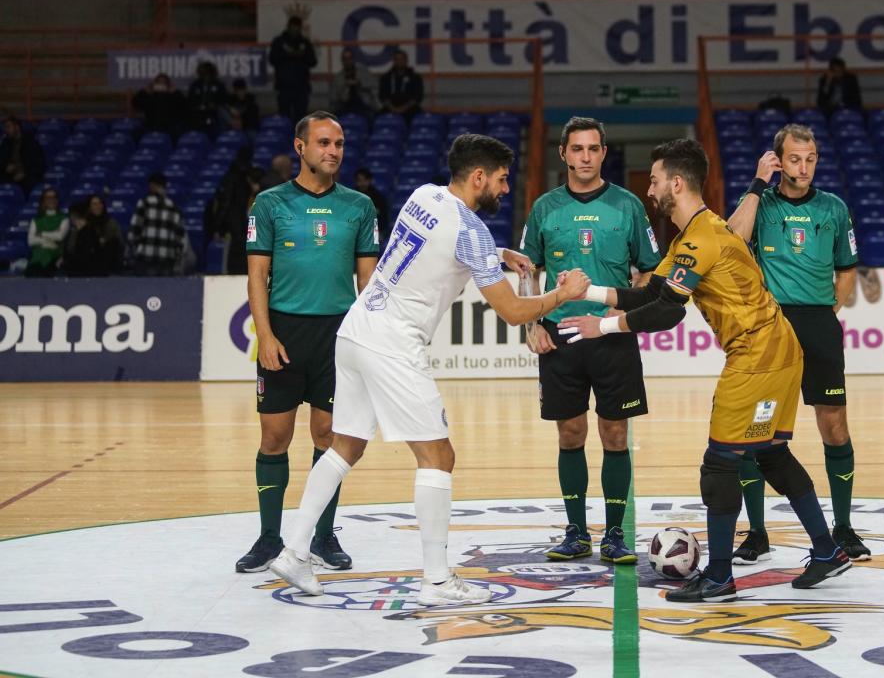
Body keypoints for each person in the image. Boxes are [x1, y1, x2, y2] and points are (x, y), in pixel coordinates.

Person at [267, 134, 592, 605]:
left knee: (344, 447)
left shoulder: (424, 195)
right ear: (478, 176)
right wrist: (563, 294)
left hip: (356, 329)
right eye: (501, 180)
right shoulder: (472, 233)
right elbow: (514, 312)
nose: (505, 190)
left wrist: (500, 254)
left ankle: (294, 551)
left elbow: (444, 242)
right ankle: (437, 581)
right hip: (393, 345)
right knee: (438, 457)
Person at [557, 138, 851, 601]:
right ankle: (826, 550)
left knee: (720, 464)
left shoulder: (700, 239)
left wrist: (605, 327)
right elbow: (652, 293)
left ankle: (718, 577)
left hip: (758, 357)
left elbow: (668, 313)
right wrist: (589, 291)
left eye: (654, 181)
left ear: (676, 182)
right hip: (778, 352)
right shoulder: (694, 235)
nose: (650, 190)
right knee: (771, 453)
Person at [234, 111, 381, 574]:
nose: (333, 151)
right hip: (284, 333)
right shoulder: (269, 204)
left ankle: (321, 536)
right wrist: (266, 336)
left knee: (328, 438)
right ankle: (269, 538)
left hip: (337, 337)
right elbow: (257, 276)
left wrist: (368, 340)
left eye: (338, 144)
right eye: (323, 143)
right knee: (274, 438)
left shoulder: (360, 206)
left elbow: (369, 282)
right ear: (300, 148)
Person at [519, 117, 662, 564]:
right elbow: (527, 271)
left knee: (615, 434)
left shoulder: (628, 206)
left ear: (603, 153)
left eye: (593, 149)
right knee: (571, 433)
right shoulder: (544, 207)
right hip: (560, 336)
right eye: (576, 149)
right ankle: (576, 531)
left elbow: (650, 268)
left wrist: (628, 312)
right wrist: (531, 323)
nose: (585, 157)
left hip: (611, 335)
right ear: (563, 153)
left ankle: (616, 533)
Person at [726, 124, 871, 563]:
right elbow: (732, 239)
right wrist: (756, 183)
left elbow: (847, 269)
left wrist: (828, 315)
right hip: (770, 327)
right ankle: (756, 532)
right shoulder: (761, 204)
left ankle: (843, 527)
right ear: (777, 160)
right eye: (793, 158)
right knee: (754, 431)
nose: (802, 167)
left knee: (834, 426)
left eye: (809, 159)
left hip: (818, 325)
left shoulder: (834, 208)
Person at [127, 172, 187, 276]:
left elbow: (134, 230)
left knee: (144, 291)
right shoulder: (174, 207)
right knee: (164, 291)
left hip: (146, 257)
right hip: (167, 258)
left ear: (151, 185)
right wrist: (177, 256)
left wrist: (134, 249)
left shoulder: (144, 203)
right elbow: (180, 237)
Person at [268, 16, 318, 123]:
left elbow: (313, 61)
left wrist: (301, 55)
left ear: (300, 28)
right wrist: (287, 55)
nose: (295, 30)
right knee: (284, 119)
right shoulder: (279, 42)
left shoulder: (305, 43)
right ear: (288, 27)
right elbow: (272, 59)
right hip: (284, 87)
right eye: (293, 27)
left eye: (297, 28)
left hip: (301, 88)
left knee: (300, 121)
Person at [64, 194, 123, 277]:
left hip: (104, 257)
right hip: (86, 259)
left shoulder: (111, 223)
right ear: (89, 207)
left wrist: (102, 240)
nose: (97, 206)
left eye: (100, 203)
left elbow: (118, 242)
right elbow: (72, 246)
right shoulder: (81, 224)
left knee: (112, 243)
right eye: (94, 204)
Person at [25, 186, 68, 277]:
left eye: (53, 197)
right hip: (37, 256)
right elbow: (31, 241)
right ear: (43, 201)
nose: (51, 200)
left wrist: (41, 234)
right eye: (48, 198)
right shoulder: (36, 220)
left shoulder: (64, 218)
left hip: (55, 256)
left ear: (57, 200)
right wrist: (49, 241)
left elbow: (60, 236)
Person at [132, 74, 188, 139]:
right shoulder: (150, 96)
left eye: (164, 83)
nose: (161, 85)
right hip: (151, 127)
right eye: (159, 83)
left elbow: (184, 106)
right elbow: (135, 103)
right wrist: (144, 92)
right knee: (137, 133)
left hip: (170, 128)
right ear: (154, 84)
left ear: (168, 85)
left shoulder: (173, 96)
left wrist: (176, 93)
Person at [1, 115, 44, 196]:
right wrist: (6, 166)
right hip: (9, 177)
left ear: (17, 127)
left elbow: (37, 164)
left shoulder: (30, 142)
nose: (6, 130)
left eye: (8, 127)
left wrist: (24, 174)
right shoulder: (5, 143)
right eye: (5, 127)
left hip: (28, 177)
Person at [378, 49, 423, 125]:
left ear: (406, 60)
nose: (399, 61)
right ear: (394, 61)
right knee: (378, 117)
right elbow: (382, 96)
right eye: (397, 59)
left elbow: (417, 97)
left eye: (402, 59)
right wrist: (393, 109)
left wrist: (402, 109)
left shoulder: (415, 77)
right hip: (390, 108)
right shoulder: (386, 77)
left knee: (419, 118)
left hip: (410, 109)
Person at [329, 48, 379, 117]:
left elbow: (374, 88)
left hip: (364, 104)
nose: (347, 61)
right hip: (344, 106)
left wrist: (360, 84)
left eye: (349, 58)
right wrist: (345, 86)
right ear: (342, 61)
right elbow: (333, 98)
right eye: (345, 59)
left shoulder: (364, 73)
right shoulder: (338, 78)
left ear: (353, 59)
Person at [188, 61, 227, 137]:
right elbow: (190, 101)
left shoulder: (219, 85)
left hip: (215, 114)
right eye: (204, 73)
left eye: (208, 73)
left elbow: (224, 100)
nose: (206, 76)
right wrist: (198, 106)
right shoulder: (195, 85)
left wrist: (215, 105)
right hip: (198, 115)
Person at [354, 167, 389, 250]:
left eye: (365, 180)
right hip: (355, 230)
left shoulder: (378, 197)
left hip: (375, 230)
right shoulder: (352, 197)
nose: (362, 183)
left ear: (370, 181)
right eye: (359, 180)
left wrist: (380, 231)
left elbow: (385, 217)